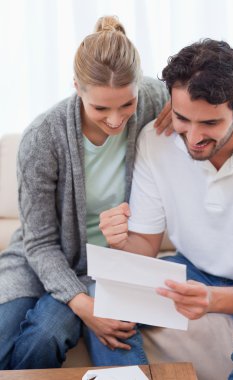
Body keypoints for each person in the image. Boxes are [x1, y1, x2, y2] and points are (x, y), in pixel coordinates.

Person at [0, 16, 171, 370]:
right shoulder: (43, 139)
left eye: (127, 104)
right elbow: (40, 243)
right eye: (100, 108)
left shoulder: (153, 97)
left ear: (138, 88)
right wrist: (83, 304)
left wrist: (179, 113)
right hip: (44, 258)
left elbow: (190, 92)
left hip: (112, 264)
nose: (115, 120)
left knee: (46, 333)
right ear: (77, 87)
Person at [100, 39, 233, 379]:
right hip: (192, 267)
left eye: (210, 124)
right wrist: (120, 241)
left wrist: (213, 299)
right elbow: (145, 248)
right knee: (105, 302)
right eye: (182, 118)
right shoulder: (156, 142)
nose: (194, 137)